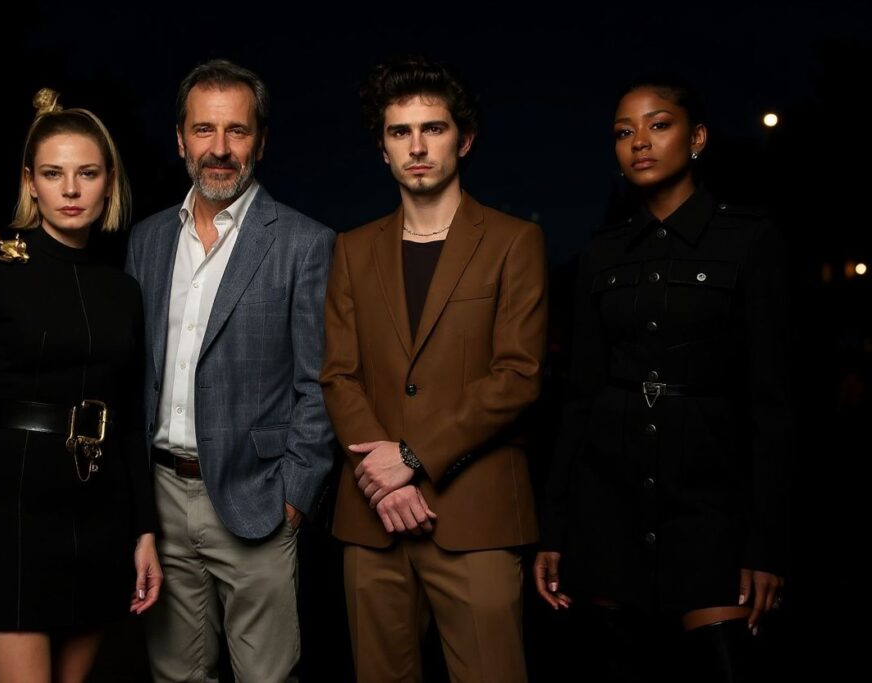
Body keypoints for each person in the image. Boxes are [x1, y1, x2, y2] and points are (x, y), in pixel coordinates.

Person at [534, 74, 791, 681]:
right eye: (624, 133)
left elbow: (775, 405)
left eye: (658, 125)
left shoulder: (752, 240)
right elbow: (579, 398)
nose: (639, 143)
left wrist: (768, 545)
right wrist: (556, 528)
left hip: (712, 507)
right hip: (609, 506)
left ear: (696, 137)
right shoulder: (603, 253)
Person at [320, 56, 548, 683]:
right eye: (400, 132)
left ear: (464, 139)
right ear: (382, 149)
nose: (417, 146)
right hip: (373, 520)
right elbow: (339, 374)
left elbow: (518, 375)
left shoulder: (512, 242)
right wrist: (383, 477)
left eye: (434, 128)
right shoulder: (352, 247)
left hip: (475, 517)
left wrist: (413, 456)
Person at [0, 88, 162, 683]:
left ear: (109, 182)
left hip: (99, 507)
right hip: (9, 510)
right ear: (30, 182)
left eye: (86, 173)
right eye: (53, 174)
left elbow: (133, 414)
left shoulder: (123, 290)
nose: (70, 189)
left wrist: (143, 532)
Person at [124, 59, 336, 683]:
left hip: (257, 500)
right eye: (203, 130)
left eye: (236, 131)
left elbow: (319, 383)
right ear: (181, 138)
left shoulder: (304, 242)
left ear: (260, 142)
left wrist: (295, 497)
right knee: (176, 676)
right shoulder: (147, 240)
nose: (219, 149)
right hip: (160, 500)